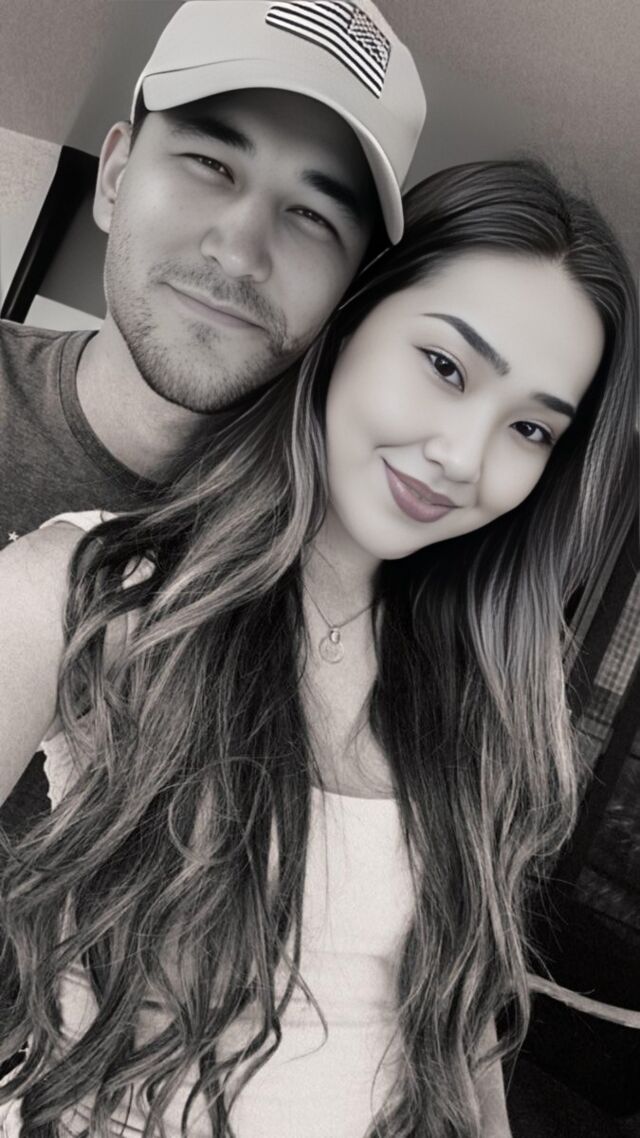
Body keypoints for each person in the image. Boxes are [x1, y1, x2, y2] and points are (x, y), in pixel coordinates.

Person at [0, 158, 637, 1138]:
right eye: (445, 366)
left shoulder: (490, 687)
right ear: (348, 320)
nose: (462, 457)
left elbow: (454, 1013)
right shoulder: (92, 590)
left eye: (528, 427)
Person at [0, 0, 425, 839]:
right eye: (210, 163)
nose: (239, 251)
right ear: (115, 177)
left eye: (313, 215)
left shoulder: (336, 581)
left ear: (351, 287)